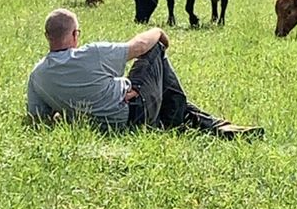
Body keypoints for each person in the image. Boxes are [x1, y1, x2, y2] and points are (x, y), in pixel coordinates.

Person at [26, 8, 264, 140]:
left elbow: (40, 119)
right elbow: (140, 46)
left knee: (163, 96)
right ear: (76, 34)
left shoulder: (38, 76)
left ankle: (212, 125)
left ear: (47, 36)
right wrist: (159, 31)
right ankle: (192, 122)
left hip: (104, 125)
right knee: (154, 50)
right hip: (133, 112)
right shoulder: (90, 54)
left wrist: (72, 110)